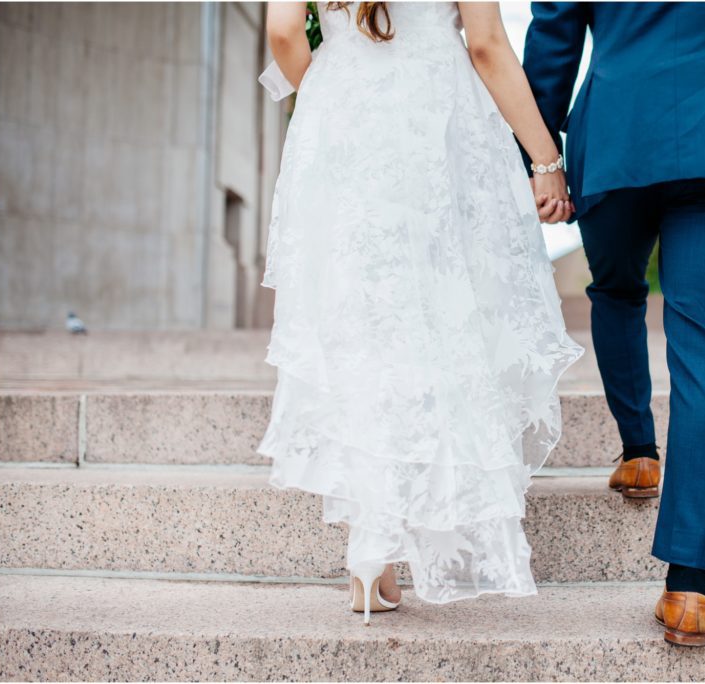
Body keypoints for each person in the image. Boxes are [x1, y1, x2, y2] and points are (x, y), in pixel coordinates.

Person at [255, 1, 583, 623]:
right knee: (439, 314)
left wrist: (333, 89)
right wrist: (546, 159)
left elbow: (281, 30)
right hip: (436, 114)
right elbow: (486, 44)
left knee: (362, 322)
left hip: (344, 116)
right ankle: (396, 533)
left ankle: (368, 552)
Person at [522, 1, 705, 646]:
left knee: (617, 290)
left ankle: (640, 453)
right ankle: (689, 589)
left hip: (618, 133)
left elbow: (555, 39)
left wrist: (540, 157)